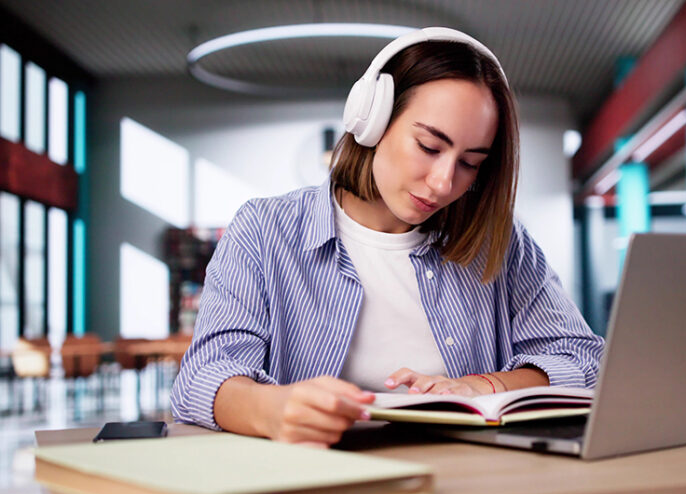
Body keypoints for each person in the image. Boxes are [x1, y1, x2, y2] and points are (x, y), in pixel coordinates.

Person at [171, 27, 604, 449]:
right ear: (372, 121)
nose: (443, 182)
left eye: (470, 163)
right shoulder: (265, 231)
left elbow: (584, 359)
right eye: (430, 147)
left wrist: (480, 388)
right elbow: (202, 377)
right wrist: (271, 408)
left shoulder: (501, 242)